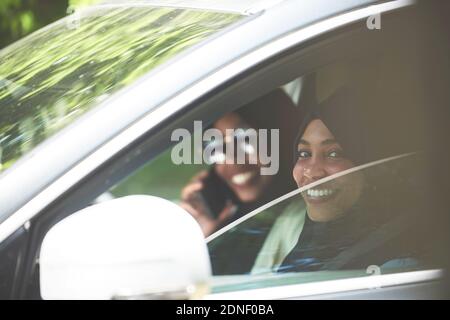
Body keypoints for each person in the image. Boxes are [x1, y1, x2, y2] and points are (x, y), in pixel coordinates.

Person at [252, 87, 430, 274]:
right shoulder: (317, 248)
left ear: (374, 168)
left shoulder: (401, 266)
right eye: (304, 153)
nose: (312, 172)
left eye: (334, 154)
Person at [179, 89, 302, 237]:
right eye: (216, 147)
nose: (231, 158)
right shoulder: (241, 226)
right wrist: (204, 234)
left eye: (245, 139)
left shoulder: (301, 220)